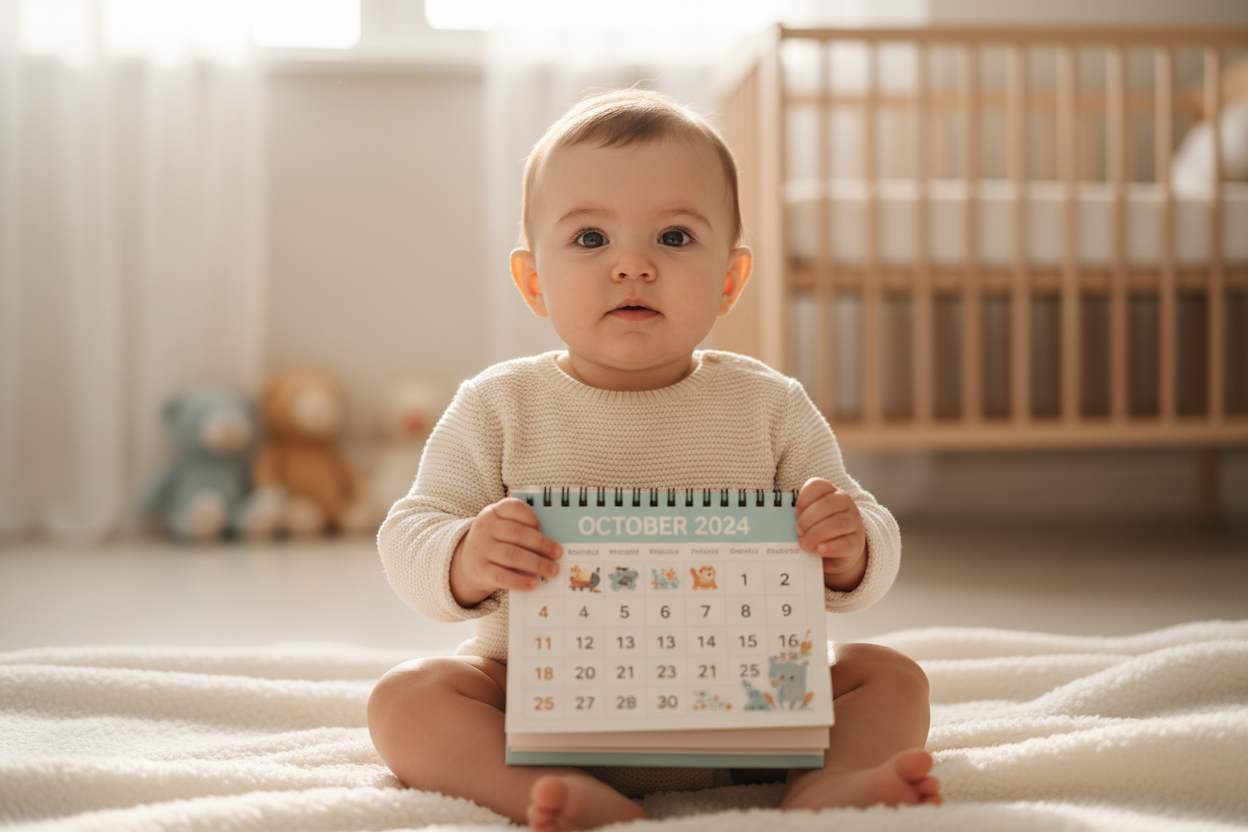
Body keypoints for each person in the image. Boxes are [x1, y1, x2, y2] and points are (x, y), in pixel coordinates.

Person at [368, 88, 941, 831]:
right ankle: (548, 795)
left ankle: (824, 789)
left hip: (753, 712)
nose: (632, 265)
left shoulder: (770, 405)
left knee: (891, 677)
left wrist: (852, 546)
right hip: (539, 712)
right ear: (533, 281)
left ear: (730, 279)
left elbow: (863, 521)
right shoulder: (498, 405)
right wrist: (464, 556)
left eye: (673, 239)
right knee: (406, 697)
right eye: (589, 239)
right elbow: (409, 531)